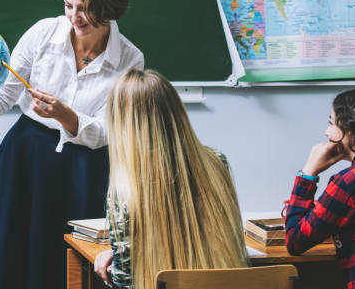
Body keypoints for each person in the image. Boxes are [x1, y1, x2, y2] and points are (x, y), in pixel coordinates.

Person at [0, 0, 144, 289]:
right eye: (69, 5)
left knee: (65, 263)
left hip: (83, 168)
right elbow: (4, 95)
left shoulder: (130, 58)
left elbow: (111, 130)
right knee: (7, 254)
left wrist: (66, 115)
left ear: (110, 6)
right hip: (25, 154)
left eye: (85, 8)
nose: (74, 16)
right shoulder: (43, 33)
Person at [94, 69, 248, 289]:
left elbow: (125, 281)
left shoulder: (125, 188)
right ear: (176, 111)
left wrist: (117, 259)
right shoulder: (217, 162)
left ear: (121, 122)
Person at [285, 88, 355, 288]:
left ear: (350, 132)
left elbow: (296, 241)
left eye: (331, 123)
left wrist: (308, 173)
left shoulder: (350, 182)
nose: (327, 132)